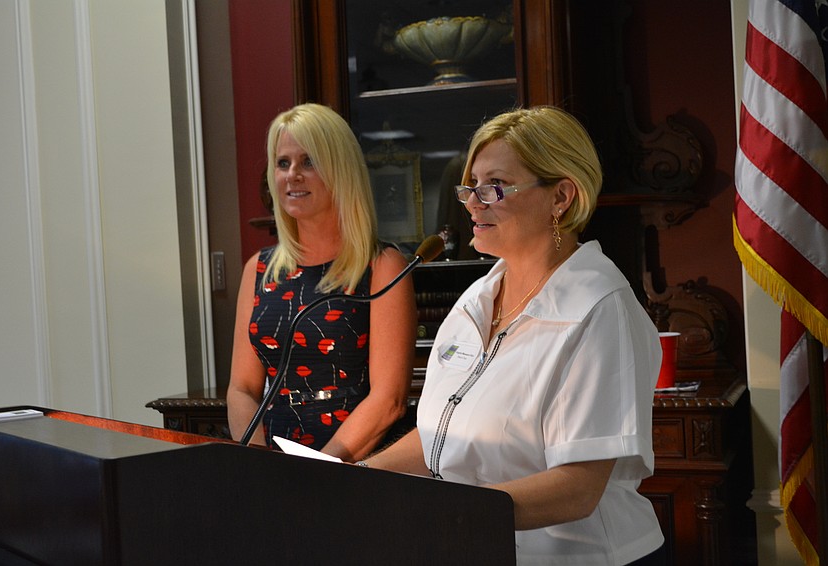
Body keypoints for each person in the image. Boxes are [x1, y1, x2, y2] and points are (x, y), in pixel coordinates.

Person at [360, 106, 665, 565]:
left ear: (561, 196)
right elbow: (439, 437)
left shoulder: (601, 310)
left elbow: (577, 487)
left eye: (494, 186)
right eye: (471, 186)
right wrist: (358, 477)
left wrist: (446, 513)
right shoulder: (475, 300)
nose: (472, 203)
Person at [227, 103, 417, 462]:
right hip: (274, 460)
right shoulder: (258, 268)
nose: (292, 175)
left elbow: (388, 400)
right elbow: (242, 388)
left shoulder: (383, 266)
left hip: (355, 462)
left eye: (308, 162)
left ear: (341, 171)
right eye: (283, 163)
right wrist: (257, 462)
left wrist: (321, 469)